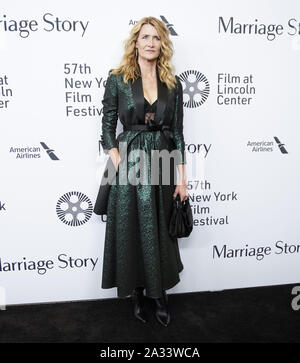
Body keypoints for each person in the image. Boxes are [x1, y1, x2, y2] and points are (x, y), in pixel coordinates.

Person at [98, 16, 188, 327]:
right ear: (135, 42)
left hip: (161, 160)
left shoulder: (172, 85)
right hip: (128, 161)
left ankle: (158, 294)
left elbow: (177, 133)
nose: (150, 43)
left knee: (159, 229)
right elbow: (108, 126)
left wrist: (182, 180)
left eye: (157, 38)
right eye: (145, 37)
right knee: (130, 228)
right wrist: (117, 160)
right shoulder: (118, 78)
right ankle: (136, 291)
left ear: (163, 44)